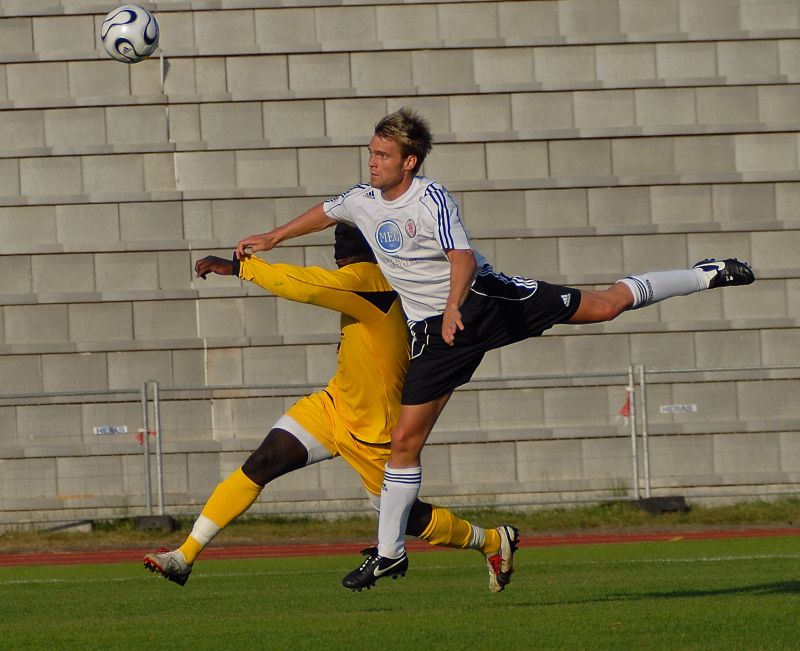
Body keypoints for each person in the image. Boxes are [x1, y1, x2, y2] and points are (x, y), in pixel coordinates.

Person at [235, 107, 756, 591]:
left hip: (485, 303)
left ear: (409, 162)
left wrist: (454, 305)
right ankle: (390, 552)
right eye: (371, 153)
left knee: (604, 306)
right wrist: (272, 237)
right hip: (438, 335)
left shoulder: (431, 198)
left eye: (382, 155)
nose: (372, 162)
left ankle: (704, 274)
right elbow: (326, 212)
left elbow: (461, 258)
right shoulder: (362, 199)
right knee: (404, 442)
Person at [143, 224, 518, 593]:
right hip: (334, 406)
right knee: (261, 463)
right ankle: (184, 556)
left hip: (374, 431)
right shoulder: (375, 281)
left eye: (344, 238)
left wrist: (242, 267)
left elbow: (306, 286)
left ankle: (491, 541)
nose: (338, 248)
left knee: (408, 518)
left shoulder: (371, 281)